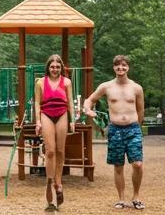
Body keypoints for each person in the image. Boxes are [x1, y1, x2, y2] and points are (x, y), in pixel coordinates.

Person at [83, 55, 145, 211]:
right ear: (114, 68)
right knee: (118, 166)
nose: (120, 68)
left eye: (124, 65)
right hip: (115, 129)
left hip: (133, 129)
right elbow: (89, 100)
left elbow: (140, 110)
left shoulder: (136, 88)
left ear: (128, 67)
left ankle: (136, 197)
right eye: (117, 65)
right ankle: (121, 199)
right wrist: (88, 110)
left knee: (137, 164)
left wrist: (138, 127)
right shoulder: (106, 86)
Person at [35, 54, 74, 211]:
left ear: (61, 68)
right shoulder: (40, 82)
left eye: (58, 67)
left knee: (60, 150)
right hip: (46, 114)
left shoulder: (67, 82)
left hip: (62, 114)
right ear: (48, 67)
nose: (55, 69)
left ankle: (59, 182)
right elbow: (37, 103)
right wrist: (37, 121)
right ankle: (49, 182)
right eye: (52, 66)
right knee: (50, 151)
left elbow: (70, 102)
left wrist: (73, 120)